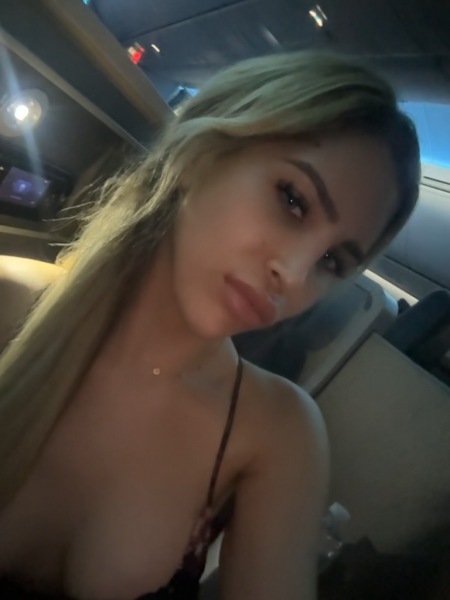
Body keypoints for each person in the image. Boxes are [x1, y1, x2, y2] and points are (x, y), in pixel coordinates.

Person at [0, 50, 420, 600]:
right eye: (292, 200)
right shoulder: (10, 296)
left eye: (331, 261)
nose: (294, 275)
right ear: (199, 156)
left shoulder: (279, 433)